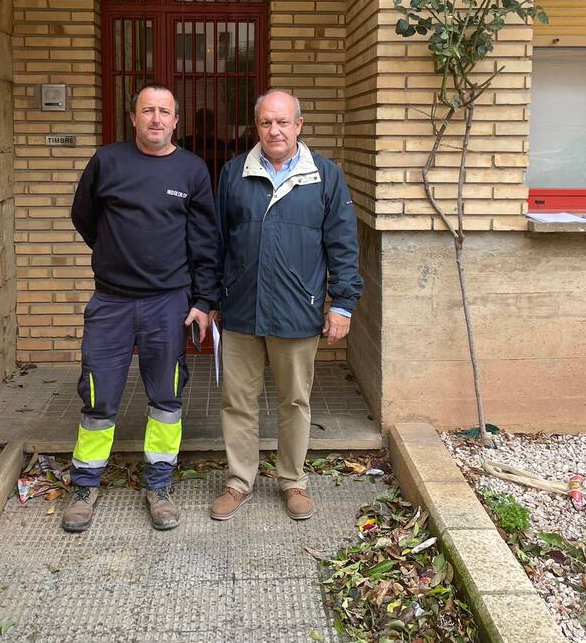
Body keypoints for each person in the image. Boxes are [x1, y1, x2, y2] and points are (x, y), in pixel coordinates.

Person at [63, 83, 217, 533]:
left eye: (164, 112)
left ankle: (159, 484)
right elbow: (83, 217)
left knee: (166, 397)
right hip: (111, 302)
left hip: (168, 304)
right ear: (133, 118)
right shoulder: (106, 162)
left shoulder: (192, 170)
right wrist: (113, 253)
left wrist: (203, 302)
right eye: (146, 111)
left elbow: (205, 241)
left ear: (175, 121)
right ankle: (85, 485)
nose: (155, 119)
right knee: (98, 396)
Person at [210, 90, 362, 522]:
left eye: (282, 122)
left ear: (299, 125)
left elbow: (342, 244)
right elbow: (217, 241)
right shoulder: (233, 173)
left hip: (299, 309)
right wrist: (213, 295)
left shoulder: (325, 175)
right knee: (237, 401)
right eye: (265, 123)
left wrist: (343, 303)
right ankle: (239, 481)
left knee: (294, 401)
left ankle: (292, 481)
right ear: (255, 126)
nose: (274, 130)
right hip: (240, 308)